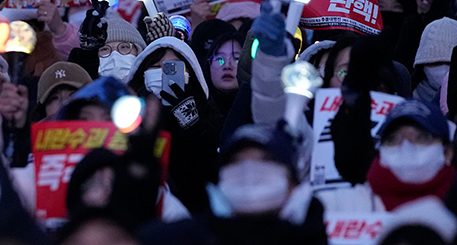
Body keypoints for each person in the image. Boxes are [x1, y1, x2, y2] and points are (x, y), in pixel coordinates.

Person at [137, 123, 327, 245]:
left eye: (265, 161)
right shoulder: (184, 238)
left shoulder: (328, 237)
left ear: (294, 183)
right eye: (236, 163)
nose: (249, 172)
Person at [126, 36, 218, 212]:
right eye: (155, 66)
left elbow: (211, 174)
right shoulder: (128, 121)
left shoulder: (209, 119)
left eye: (173, 67)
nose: (163, 73)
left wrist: (194, 126)